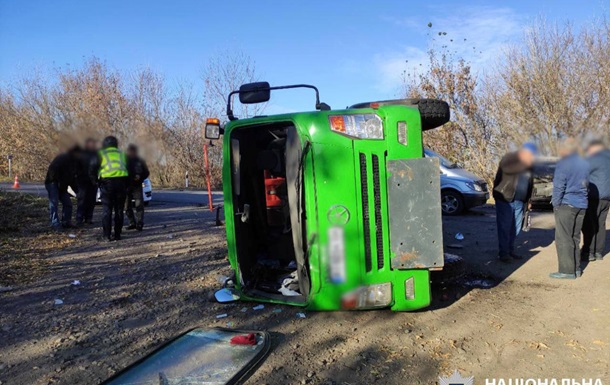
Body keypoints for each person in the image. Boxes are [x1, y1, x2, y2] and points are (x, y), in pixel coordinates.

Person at [550, 138, 589, 279]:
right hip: (582, 204)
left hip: (567, 204)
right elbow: (587, 185)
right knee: (575, 237)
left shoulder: (564, 163)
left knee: (563, 238)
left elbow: (559, 186)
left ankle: (567, 271)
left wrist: (556, 204)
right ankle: (576, 268)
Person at [493, 142, 537, 262]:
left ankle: (510, 250)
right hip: (506, 199)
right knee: (505, 227)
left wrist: (529, 200)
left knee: (515, 228)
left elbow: (531, 184)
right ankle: (504, 253)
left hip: (520, 201)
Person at [89, 136, 129, 241]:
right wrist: (127, 184)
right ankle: (117, 235)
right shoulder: (122, 154)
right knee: (119, 210)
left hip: (107, 184)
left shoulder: (101, 154)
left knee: (107, 210)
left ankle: (106, 235)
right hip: (121, 183)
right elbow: (130, 169)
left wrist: (96, 182)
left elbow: (92, 169)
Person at [581, 138, 610, 262]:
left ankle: (589, 252)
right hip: (607, 197)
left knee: (590, 224)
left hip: (594, 196)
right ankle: (599, 252)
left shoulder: (593, 159)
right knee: (601, 224)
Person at [44, 146, 80, 230]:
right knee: (54, 203)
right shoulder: (62, 158)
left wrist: (77, 192)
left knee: (68, 204)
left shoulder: (74, 164)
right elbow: (53, 171)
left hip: (62, 185)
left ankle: (66, 221)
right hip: (53, 182)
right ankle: (55, 223)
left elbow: (72, 179)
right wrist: (58, 183)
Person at [125, 144, 150, 231]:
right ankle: (132, 222)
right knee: (126, 206)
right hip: (127, 186)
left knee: (139, 205)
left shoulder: (140, 160)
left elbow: (146, 172)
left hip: (137, 185)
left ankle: (140, 223)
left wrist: (140, 177)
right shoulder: (124, 160)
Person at [75, 138, 99, 225]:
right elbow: (76, 167)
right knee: (82, 199)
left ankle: (89, 218)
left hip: (93, 180)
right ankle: (79, 218)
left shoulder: (96, 154)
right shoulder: (81, 154)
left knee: (91, 199)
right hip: (82, 180)